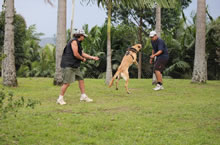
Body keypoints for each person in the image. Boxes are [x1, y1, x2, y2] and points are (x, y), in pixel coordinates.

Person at [57, 29, 99, 105]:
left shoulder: (78, 43)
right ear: (80, 35)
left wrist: (92, 57)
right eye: (83, 36)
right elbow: (76, 54)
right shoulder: (74, 41)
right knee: (67, 83)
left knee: (81, 79)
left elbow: (82, 53)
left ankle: (83, 96)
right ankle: (60, 98)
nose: (84, 38)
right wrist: (82, 59)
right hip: (68, 65)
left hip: (75, 65)